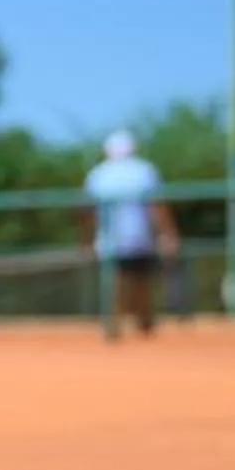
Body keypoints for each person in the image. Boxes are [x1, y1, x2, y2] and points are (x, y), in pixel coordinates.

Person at [84, 130, 176, 340]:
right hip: (141, 238)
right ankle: (144, 322)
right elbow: (158, 205)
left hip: (110, 239)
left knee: (115, 282)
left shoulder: (98, 174)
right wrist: (168, 234)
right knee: (141, 280)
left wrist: (89, 239)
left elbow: (88, 212)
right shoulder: (145, 170)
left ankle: (114, 324)